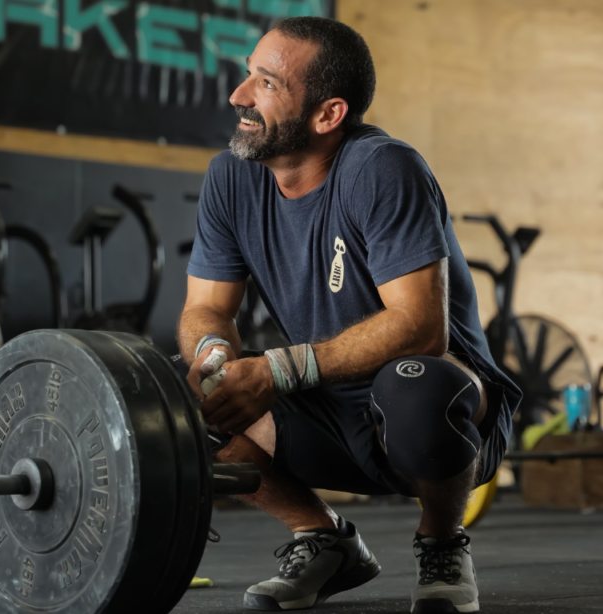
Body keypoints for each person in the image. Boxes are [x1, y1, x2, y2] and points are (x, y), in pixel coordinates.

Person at [176, 16, 521, 614]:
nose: (239, 96)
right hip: (328, 407)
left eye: (266, 83)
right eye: (246, 76)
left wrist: (277, 370)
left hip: (443, 414)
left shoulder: (383, 168)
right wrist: (214, 357)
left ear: (328, 115)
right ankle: (324, 540)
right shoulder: (230, 179)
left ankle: (442, 544)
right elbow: (205, 307)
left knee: (417, 382)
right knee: (181, 395)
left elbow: (420, 329)